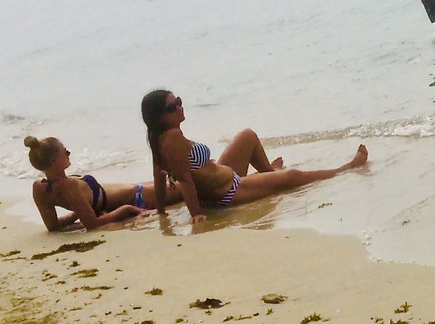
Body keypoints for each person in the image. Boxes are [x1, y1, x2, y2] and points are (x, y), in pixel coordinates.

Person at [139, 89, 368, 224]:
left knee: (247, 136)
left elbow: (158, 175)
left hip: (223, 178)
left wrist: (161, 210)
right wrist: (196, 214)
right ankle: (347, 168)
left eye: (178, 102)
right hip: (228, 191)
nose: (179, 108)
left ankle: (268, 173)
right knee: (293, 176)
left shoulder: (158, 139)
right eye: (172, 108)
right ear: (159, 117)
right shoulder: (172, 138)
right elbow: (185, 180)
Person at [24, 136, 178, 231]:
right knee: (186, 182)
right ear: (55, 160)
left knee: (176, 177)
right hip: (137, 197)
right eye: (66, 151)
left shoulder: (39, 188)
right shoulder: (70, 186)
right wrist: (126, 209)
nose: (69, 154)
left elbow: (53, 226)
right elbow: (93, 225)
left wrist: (79, 213)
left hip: (133, 189)